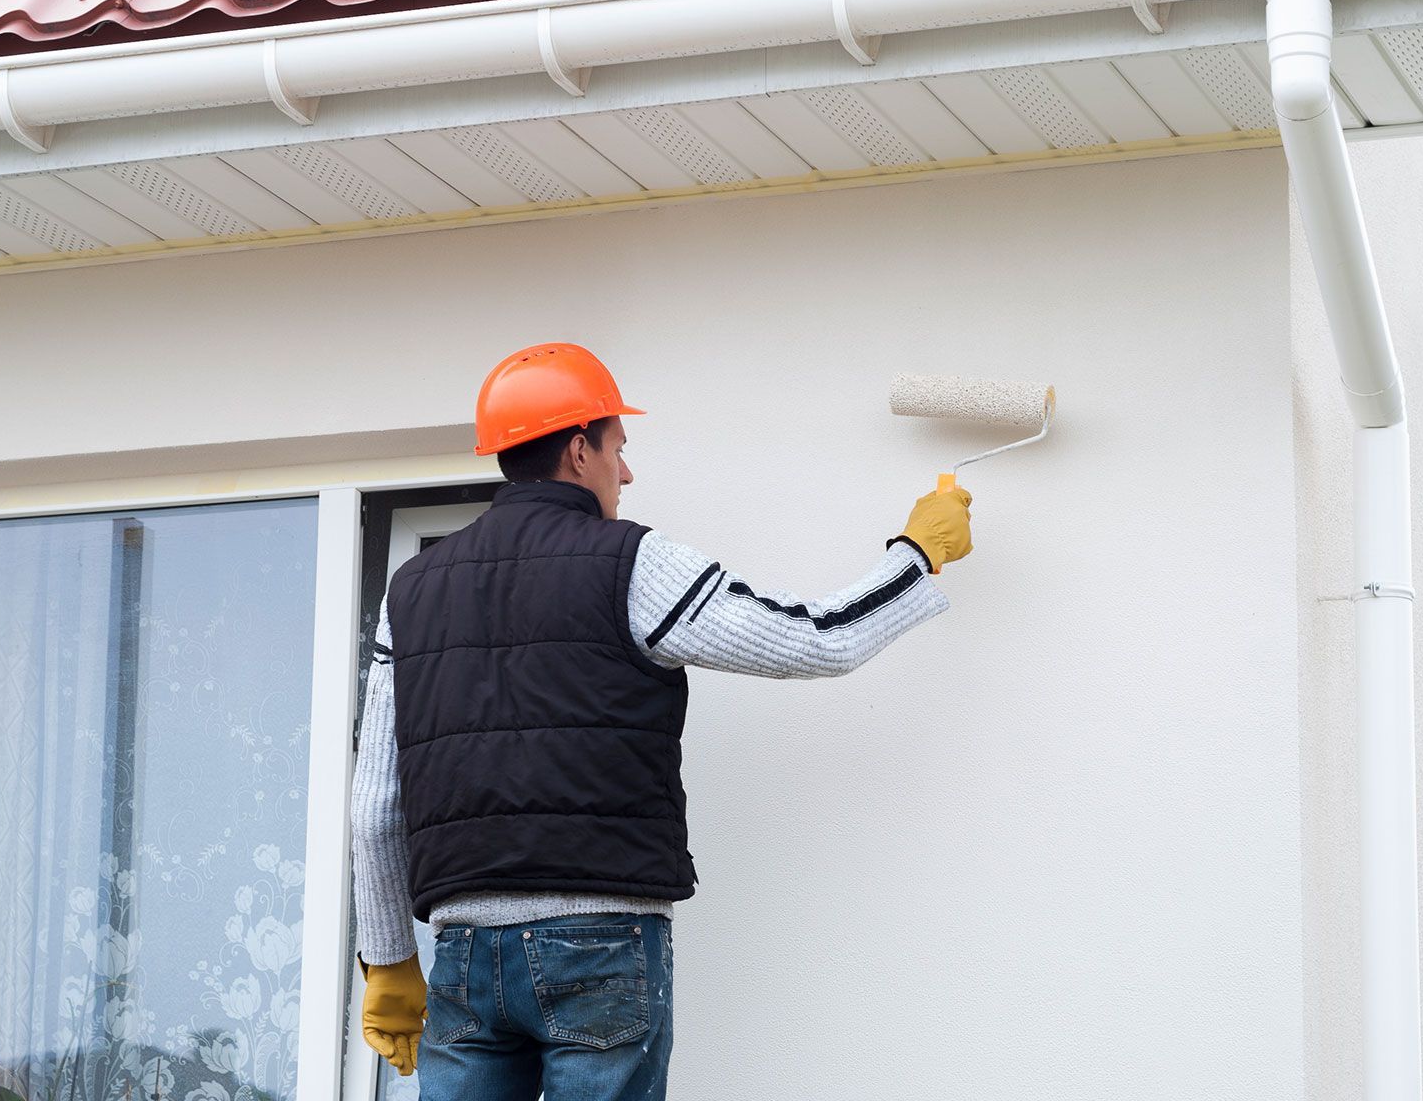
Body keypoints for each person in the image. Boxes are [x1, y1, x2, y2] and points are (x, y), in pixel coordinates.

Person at [350, 342, 973, 1099]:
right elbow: (817, 640)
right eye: (620, 447)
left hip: (463, 953)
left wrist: (386, 961)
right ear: (580, 449)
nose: (628, 471)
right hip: (600, 943)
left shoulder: (410, 591)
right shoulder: (630, 563)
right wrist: (916, 555)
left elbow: (375, 805)